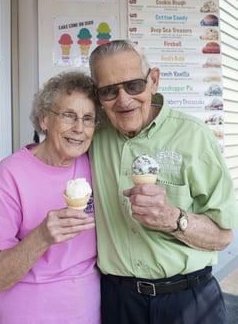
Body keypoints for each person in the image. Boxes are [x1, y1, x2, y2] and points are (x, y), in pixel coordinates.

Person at [89, 40, 238, 324]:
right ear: (97, 96)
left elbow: (222, 235)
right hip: (118, 303)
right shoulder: (92, 137)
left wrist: (173, 218)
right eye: (109, 91)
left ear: (153, 80)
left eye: (133, 85)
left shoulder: (193, 137)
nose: (123, 100)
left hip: (189, 300)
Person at [0, 72, 101, 324]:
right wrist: (42, 237)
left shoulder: (94, 164)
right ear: (44, 120)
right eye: (68, 116)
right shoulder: (11, 174)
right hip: (29, 313)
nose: (79, 128)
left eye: (88, 119)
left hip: (88, 310)